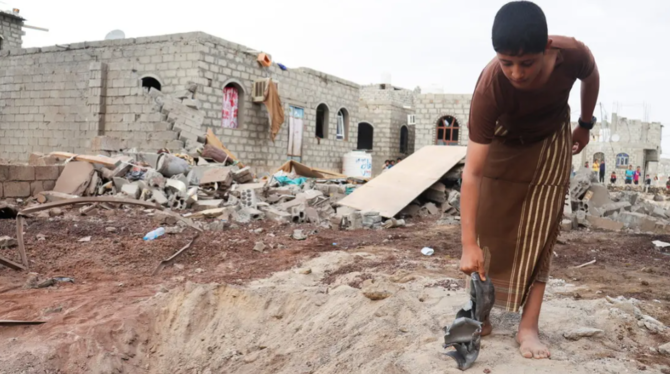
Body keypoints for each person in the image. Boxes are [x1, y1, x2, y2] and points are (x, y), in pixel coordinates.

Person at [459, 1, 599, 360]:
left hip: (552, 138)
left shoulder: (571, 52)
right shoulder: (490, 87)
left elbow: (591, 74)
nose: (517, 73)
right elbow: (473, 173)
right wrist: (467, 244)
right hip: (504, 141)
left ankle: (528, 327)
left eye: (527, 63)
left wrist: (584, 123)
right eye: (507, 63)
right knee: (489, 229)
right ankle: (481, 316)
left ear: (547, 48)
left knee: (542, 229)